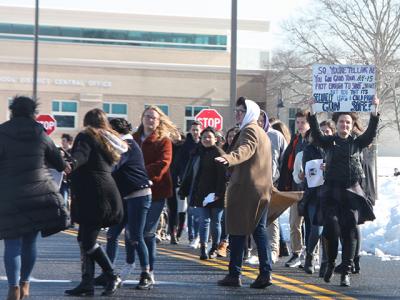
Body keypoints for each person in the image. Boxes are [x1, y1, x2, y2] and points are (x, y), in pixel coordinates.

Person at [0, 96, 68, 300]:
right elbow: (59, 163)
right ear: (33, 112)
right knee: (30, 242)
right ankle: (26, 284)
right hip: (39, 194)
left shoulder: (2, 131)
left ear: (12, 111)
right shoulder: (40, 132)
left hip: (9, 195)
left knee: (12, 243)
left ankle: (12, 288)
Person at [308, 97, 379, 287]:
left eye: (348, 122)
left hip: (351, 192)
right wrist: (313, 112)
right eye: (341, 122)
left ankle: (345, 271)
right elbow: (315, 133)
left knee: (349, 233)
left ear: (351, 125)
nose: (344, 125)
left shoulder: (357, 142)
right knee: (331, 229)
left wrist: (374, 112)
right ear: (337, 124)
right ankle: (330, 263)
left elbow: (371, 134)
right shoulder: (328, 142)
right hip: (331, 192)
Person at [65, 109, 127, 297]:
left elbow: (81, 156)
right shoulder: (109, 139)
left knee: (88, 240)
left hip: (93, 194)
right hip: (106, 191)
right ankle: (87, 283)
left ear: (86, 121)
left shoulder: (86, 136)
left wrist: (70, 163)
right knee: (83, 239)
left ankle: (111, 274)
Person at [216, 97, 273, 289]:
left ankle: (236, 274)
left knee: (238, 232)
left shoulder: (250, 130)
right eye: (236, 110)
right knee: (258, 231)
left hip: (247, 190)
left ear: (250, 113)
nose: (237, 113)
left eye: (241, 110)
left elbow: (245, 149)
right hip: (259, 189)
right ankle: (263, 273)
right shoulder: (261, 131)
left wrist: (229, 158)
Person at [133, 105, 179, 284]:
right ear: (142, 118)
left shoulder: (163, 140)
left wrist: (140, 172)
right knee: (133, 233)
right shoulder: (134, 139)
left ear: (159, 121)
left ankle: (148, 271)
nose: (150, 120)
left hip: (156, 191)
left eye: (153, 117)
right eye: (147, 116)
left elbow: (163, 163)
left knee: (147, 232)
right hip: (134, 191)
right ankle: (129, 266)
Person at [179, 127, 227, 260]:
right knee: (203, 221)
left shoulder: (219, 153)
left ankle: (214, 247)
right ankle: (203, 248)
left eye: (209, 137)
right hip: (201, 193)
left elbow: (223, 176)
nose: (206, 139)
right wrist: (185, 189)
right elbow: (190, 173)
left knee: (215, 222)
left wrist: (218, 193)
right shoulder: (197, 152)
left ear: (215, 139)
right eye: (204, 137)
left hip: (216, 194)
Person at [278, 110, 310, 268]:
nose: (300, 125)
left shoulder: (313, 140)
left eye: (303, 122)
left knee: (310, 224)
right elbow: (287, 165)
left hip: (311, 189)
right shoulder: (295, 140)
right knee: (294, 222)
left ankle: (312, 255)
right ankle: (296, 253)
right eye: (297, 122)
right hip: (295, 187)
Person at [258, 110, 288, 264]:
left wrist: (280, 181)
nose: (260, 123)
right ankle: (256, 250)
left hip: (272, 181)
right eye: (257, 120)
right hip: (254, 183)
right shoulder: (251, 135)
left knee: (272, 217)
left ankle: (274, 249)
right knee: (254, 217)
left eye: (262, 120)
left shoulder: (276, 136)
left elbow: (285, 158)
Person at [176, 121, 202, 247]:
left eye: (197, 129)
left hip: (201, 182)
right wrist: (182, 177)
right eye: (193, 130)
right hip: (188, 181)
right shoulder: (186, 145)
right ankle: (192, 236)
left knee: (198, 210)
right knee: (190, 210)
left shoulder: (204, 144)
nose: (195, 132)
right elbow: (181, 163)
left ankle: (197, 236)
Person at [60, 133, 73, 208]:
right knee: (63, 200)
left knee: (66, 200)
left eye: (64, 141)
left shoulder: (73, 152)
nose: (62, 142)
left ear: (69, 142)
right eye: (62, 141)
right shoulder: (60, 152)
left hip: (70, 180)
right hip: (62, 180)